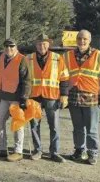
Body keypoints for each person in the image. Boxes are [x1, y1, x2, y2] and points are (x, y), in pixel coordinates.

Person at [63, 30, 100, 165]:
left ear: (89, 40)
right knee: (77, 128)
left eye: (85, 39)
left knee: (91, 129)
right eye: (79, 38)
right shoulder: (67, 56)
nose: (82, 41)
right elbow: (62, 77)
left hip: (91, 98)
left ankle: (92, 153)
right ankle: (79, 150)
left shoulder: (99, 55)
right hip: (73, 98)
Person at [26, 33, 69, 163]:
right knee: (34, 125)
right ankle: (37, 150)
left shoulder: (58, 58)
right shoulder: (28, 59)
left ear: (49, 44)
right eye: (39, 43)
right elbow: (23, 79)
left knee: (54, 126)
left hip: (52, 96)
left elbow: (64, 78)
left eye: (44, 43)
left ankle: (54, 152)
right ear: (36, 45)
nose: (41, 46)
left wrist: (64, 95)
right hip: (34, 97)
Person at [0, 38, 32, 162]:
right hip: (5, 97)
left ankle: (18, 151)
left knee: (17, 124)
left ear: (16, 47)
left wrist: (24, 98)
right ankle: (2, 148)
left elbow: (27, 80)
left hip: (16, 98)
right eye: (6, 46)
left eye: (11, 46)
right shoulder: (2, 57)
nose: (8, 49)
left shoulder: (22, 60)